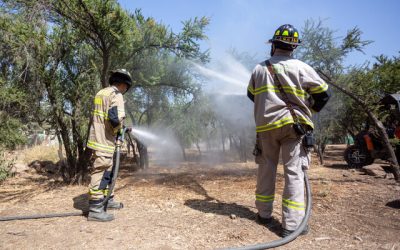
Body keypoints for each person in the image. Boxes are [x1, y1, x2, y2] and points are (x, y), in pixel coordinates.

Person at [247, 24, 330, 237]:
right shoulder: (302, 67)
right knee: (294, 172)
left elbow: (251, 95)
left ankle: (264, 215)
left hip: (266, 128)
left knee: (266, 168)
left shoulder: (259, 68)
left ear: (273, 45)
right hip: (295, 128)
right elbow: (323, 95)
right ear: (293, 48)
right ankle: (291, 225)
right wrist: (306, 107)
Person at [87, 69, 132, 222]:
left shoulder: (102, 92)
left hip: (98, 139)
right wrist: (121, 130)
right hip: (105, 140)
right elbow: (114, 118)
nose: (125, 89)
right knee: (101, 171)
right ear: (122, 84)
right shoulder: (116, 95)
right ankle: (95, 209)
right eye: (126, 86)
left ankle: (108, 199)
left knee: (107, 170)